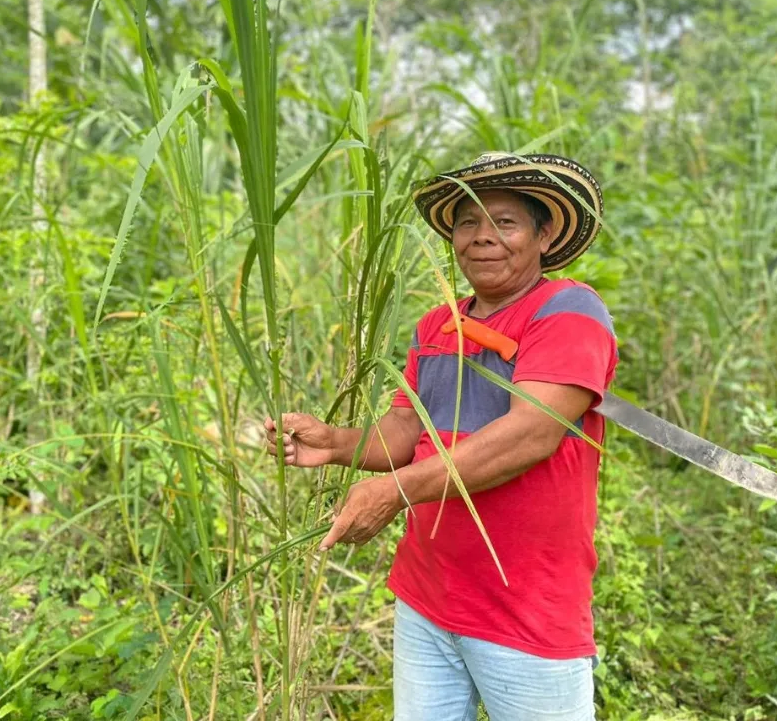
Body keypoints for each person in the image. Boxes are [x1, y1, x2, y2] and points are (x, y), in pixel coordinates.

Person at [264, 153, 618, 720]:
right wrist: (334, 443)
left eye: (504, 222)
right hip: (427, 599)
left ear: (544, 235)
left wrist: (394, 491)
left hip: (525, 614)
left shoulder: (569, 311)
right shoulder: (437, 325)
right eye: (467, 222)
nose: (482, 238)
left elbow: (530, 435)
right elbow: (408, 428)